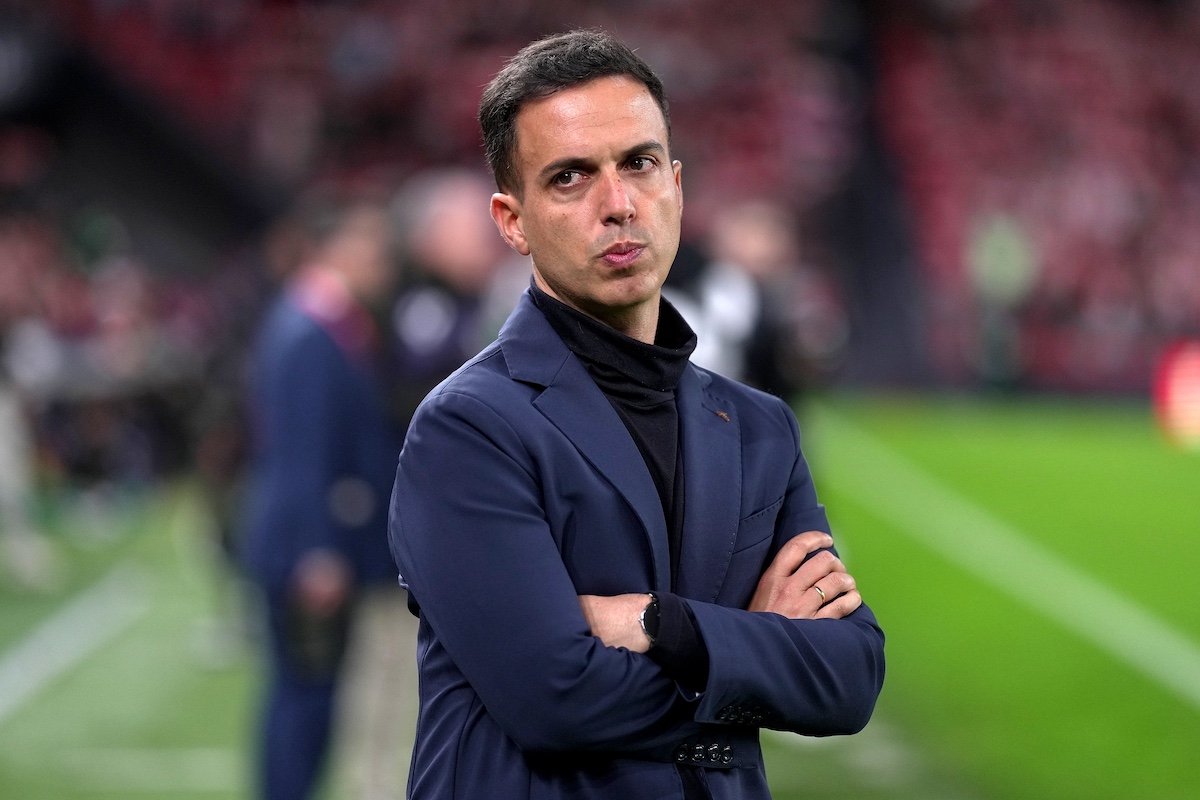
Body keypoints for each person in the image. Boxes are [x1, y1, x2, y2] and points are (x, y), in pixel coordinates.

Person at [388, 29, 885, 800]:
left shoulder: (760, 428)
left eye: (640, 164)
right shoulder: (467, 428)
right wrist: (755, 649)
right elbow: (556, 700)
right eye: (570, 177)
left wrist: (662, 624)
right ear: (512, 221)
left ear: (676, 186)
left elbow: (849, 677)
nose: (618, 205)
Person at [239, 200, 412, 800]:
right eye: (372, 247)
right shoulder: (309, 329)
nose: (384, 262)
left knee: (310, 695)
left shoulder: (320, 322)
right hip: (305, 545)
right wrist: (316, 549)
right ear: (336, 248)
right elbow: (301, 450)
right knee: (304, 697)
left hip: (311, 538)